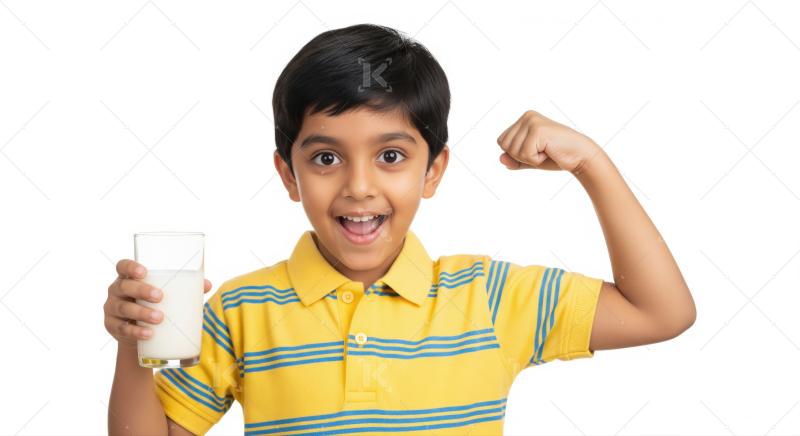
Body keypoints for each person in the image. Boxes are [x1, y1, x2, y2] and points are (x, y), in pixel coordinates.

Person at [103, 23, 696, 435]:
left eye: (390, 156)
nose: (359, 187)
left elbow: (661, 312)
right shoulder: (240, 310)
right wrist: (136, 344)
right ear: (289, 175)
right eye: (326, 159)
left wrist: (592, 163)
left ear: (433, 170)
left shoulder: (488, 300)